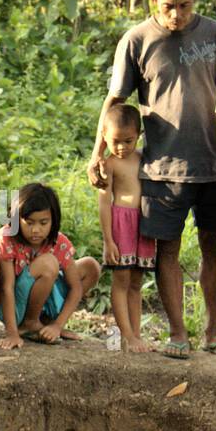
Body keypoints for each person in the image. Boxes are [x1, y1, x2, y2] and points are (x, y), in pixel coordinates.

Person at [89, 0, 216, 360]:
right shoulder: (137, 40)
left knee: (214, 246)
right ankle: (178, 334)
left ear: (197, 0)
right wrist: (96, 155)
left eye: (185, 6)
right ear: (153, 1)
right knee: (166, 251)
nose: (177, 15)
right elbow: (115, 101)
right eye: (169, 6)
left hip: (214, 164)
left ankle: (214, 331)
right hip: (162, 168)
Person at [0, 183, 101, 350]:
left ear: (53, 220)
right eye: (29, 222)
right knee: (48, 263)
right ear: (16, 220)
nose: (36, 230)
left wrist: (58, 325)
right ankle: (29, 323)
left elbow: (76, 287)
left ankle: (47, 323)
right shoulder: (7, 239)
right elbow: (7, 287)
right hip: (13, 308)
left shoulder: (58, 241)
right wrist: (12, 333)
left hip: (44, 304)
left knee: (90, 266)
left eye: (43, 223)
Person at [97, 103, 156, 352]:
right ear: (104, 138)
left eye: (128, 141)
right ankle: (126, 335)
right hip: (121, 222)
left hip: (143, 222)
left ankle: (135, 335)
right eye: (115, 141)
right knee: (120, 280)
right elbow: (103, 203)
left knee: (136, 282)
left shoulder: (145, 158)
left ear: (139, 136)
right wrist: (108, 240)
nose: (121, 148)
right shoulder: (108, 165)